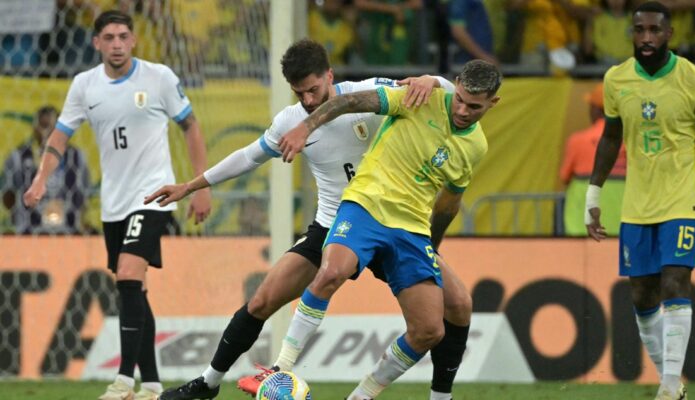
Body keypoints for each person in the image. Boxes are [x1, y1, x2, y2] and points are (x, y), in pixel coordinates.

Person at [145, 39, 472, 400]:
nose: (309, 101)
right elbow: (249, 156)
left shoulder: (367, 94)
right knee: (262, 301)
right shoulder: (290, 120)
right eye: (300, 93)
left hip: (392, 222)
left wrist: (431, 78)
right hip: (334, 225)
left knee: (457, 305)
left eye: (314, 90)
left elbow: (445, 92)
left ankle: (441, 394)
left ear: (329, 75)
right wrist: (191, 186)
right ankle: (207, 382)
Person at [256, 59, 500, 400]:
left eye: (474, 106)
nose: (462, 109)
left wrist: (433, 245)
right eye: (458, 98)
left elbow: (449, 203)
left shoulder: (476, 146)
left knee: (429, 329)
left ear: (493, 103)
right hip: (365, 206)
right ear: (455, 85)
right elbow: (349, 102)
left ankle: (361, 396)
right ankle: (281, 368)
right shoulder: (421, 97)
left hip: (412, 229)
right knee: (331, 272)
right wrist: (305, 128)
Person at [23, 10, 211, 400]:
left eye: (124, 36)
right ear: (96, 43)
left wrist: (200, 185)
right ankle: (153, 385)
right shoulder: (84, 85)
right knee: (134, 288)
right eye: (109, 37)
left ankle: (124, 380)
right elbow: (59, 137)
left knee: (127, 274)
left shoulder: (159, 78)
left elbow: (190, 126)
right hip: (114, 203)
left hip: (153, 195)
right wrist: (41, 177)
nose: (117, 44)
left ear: (134, 40)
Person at [585, 2, 695, 399]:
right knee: (641, 293)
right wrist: (594, 193)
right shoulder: (616, 79)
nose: (646, 38)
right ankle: (671, 383)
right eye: (639, 30)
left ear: (669, 34)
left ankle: (667, 386)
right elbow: (610, 138)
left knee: (675, 280)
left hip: (682, 199)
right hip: (637, 203)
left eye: (654, 30)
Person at [2, 106, 90, 235]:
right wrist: (19, 215)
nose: (47, 132)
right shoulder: (18, 157)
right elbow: (7, 195)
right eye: (43, 126)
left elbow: (84, 196)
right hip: (29, 231)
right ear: (34, 128)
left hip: (68, 231)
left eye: (52, 128)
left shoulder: (76, 157)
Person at [559, 83, 626, 236]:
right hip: (623, 220)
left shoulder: (578, 140)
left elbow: (565, 176)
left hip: (582, 221)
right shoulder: (630, 141)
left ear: (596, 109)